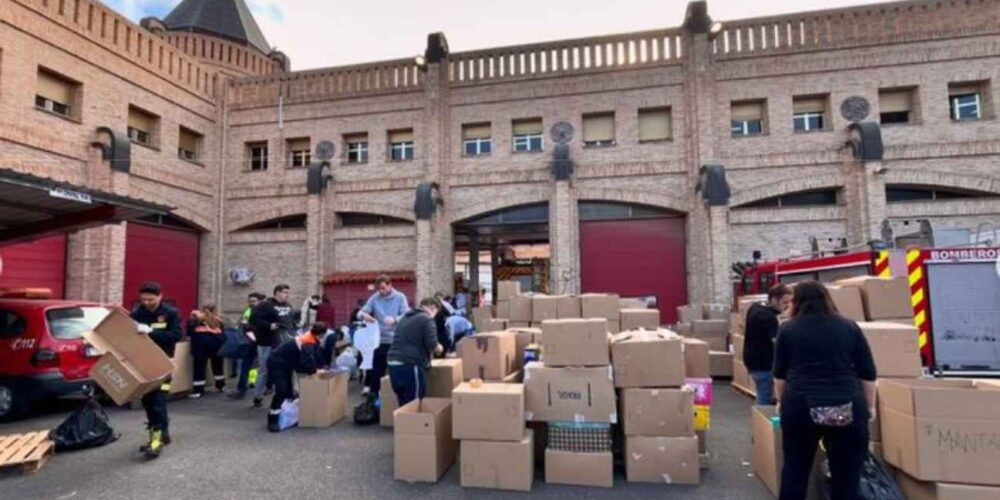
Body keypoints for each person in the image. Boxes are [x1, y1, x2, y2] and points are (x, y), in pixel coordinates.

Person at [773, 281, 877, 500]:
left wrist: (781, 402)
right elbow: (867, 372)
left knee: (795, 470)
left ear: (796, 302)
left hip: (801, 405)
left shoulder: (788, 329)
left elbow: (780, 374)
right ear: (827, 299)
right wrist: (870, 407)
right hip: (846, 405)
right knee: (847, 475)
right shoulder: (849, 327)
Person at [130, 281, 182, 459]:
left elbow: (175, 336)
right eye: (143, 299)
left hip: (163, 363)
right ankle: (163, 432)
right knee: (148, 401)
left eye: (150, 299)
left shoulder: (170, 313)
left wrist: (150, 331)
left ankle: (156, 439)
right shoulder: (137, 314)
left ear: (160, 296)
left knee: (158, 400)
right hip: (143, 364)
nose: (146, 302)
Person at [266, 323, 331, 432]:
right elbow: (308, 360)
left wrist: (322, 366)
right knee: (281, 390)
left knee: (289, 391)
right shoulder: (307, 341)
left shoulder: (311, 337)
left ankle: (286, 413)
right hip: (277, 362)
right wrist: (315, 370)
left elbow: (315, 355)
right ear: (321, 334)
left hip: (286, 363)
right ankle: (272, 421)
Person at [356, 275, 409, 396]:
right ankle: (374, 398)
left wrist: (395, 319)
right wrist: (364, 315)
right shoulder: (375, 298)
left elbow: (407, 315)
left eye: (383, 288)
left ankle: (395, 396)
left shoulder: (400, 297)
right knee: (377, 370)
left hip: (396, 340)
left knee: (395, 369)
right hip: (379, 340)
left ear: (390, 285)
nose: (381, 291)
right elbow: (361, 312)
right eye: (378, 289)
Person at [387, 298, 443, 406]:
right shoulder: (427, 319)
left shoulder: (405, 317)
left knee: (403, 402)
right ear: (433, 308)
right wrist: (440, 348)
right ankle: (413, 423)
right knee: (415, 403)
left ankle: (403, 423)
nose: (435, 316)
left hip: (393, 362)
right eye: (436, 313)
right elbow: (432, 344)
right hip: (410, 364)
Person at [743, 284, 792, 405]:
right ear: (774, 300)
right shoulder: (766, 316)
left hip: (753, 359)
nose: (787, 306)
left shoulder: (756, 307)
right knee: (765, 395)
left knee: (763, 392)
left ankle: (762, 419)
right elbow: (778, 341)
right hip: (763, 362)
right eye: (785, 302)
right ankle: (762, 421)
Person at [250, 284, 295, 409]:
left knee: (282, 370)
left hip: (283, 344)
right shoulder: (265, 305)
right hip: (266, 343)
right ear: (277, 293)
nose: (287, 295)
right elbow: (253, 320)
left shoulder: (288, 306)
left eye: (288, 292)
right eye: (285, 292)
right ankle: (257, 396)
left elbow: (290, 322)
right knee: (264, 370)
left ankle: (281, 397)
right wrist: (269, 325)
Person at [230, 292, 265, 400]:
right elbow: (244, 325)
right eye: (250, 301)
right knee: (246, 364)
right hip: (252, 342)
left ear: (259, 301)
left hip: (260, 342)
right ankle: (242, 388)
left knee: (260, 365)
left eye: (254, 301)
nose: (251, 303)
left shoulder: (263, 311)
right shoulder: (249, 310)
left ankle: (260, 387)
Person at [187, 305, 226, 398]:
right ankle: (220, 385)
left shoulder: (196, 320)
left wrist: (192, 317)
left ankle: (198, 390)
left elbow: (188, 332)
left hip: (201, 346)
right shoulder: (219, 321)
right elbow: (224, 332)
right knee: (218, 366)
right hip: (217, 345)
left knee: (199, 367)